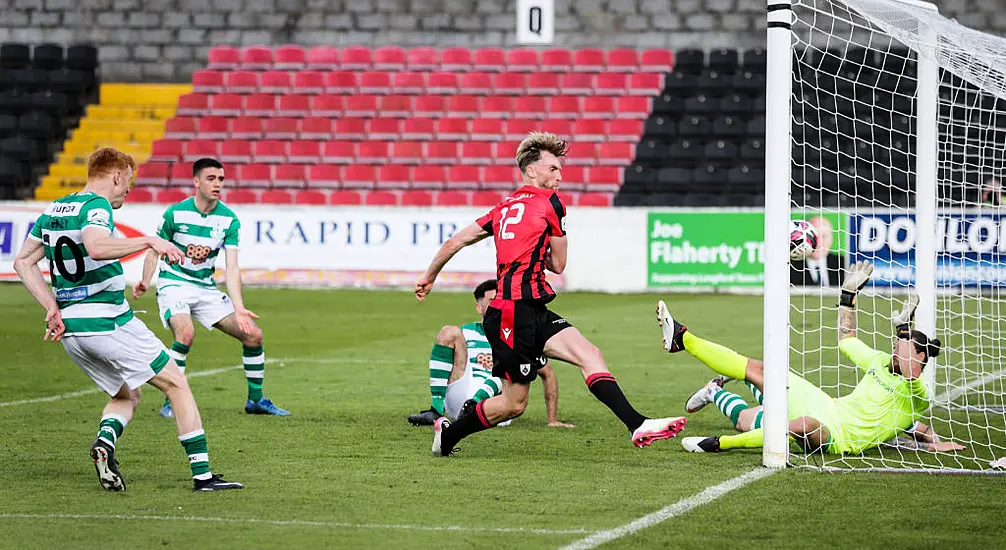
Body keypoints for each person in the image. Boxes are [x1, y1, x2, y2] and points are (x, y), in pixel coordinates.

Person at [415, 131, 685, 457]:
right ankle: (448, 436)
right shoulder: (551, 203)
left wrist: (429, 276)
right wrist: (542, 249)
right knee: (514, 405)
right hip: (513, 312)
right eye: (553, 168)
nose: (560, 175)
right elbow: (559, 264)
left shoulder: (502, 208)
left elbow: (456, 241)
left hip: (529, 308)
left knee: (589, 354)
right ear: (532, 171)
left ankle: (637, 424)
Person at [12, 147, 242, 491]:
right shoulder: (96, 206)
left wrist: (51, 307)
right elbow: (96, 246)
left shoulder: (54, 208)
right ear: (116, 175)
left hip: (73, 330)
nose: (128, 190)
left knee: (127, 395)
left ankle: (105, 444)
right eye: (128, 181)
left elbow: (23, 262)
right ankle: (203, 476)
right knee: (176, 383)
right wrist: (150, 240)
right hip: (108, 321)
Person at [658, 261, 964, 455]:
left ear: (921, 355)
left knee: (753, 422)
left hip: (840, 437)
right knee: (766, 370)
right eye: (896, 344)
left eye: (903, 346)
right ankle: (683, 339)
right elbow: (847, 339)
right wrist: (848, 298)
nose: (895, 348)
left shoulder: (920, 392)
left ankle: (716, 439)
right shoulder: (879, 361)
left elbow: (912, 386)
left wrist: (903, 328)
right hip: (826, 404)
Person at [133, 158, 288, 417]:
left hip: (205, 288)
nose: (217, 184)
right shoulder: (175, 214)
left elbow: (232, 268)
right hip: (175, 283)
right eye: (211, 178)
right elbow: (153, 251)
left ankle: (256, 401)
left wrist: (239, 308)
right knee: (185, 334)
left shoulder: (228, 220)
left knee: (253, 336)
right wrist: (145, 281)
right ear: (196, 182)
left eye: (221, 179)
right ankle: (172, 400)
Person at [407, 279, 574, 428]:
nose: (498, 304)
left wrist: (552, 419)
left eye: (502, 300)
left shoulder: (520, 335)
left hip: (497, 406)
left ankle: (476, 405)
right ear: (479, 307)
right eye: (493, 301)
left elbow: (548, 373)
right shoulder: (466, 332)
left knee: (505, 365)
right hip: (460, 398)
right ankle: (436, 410)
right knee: (448, 332)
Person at [790, 215, 846, 287]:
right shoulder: (790, 267)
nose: (819, 242)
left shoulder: (843, 264)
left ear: (831, 239)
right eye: (813, 237)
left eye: (824, 236)